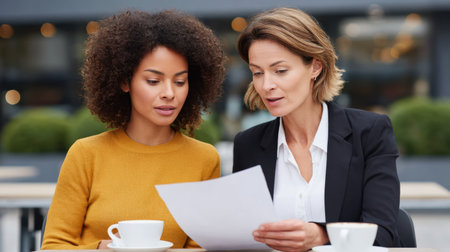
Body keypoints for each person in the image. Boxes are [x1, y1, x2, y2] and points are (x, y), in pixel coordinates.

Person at [41, 10, 226, 250]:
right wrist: (100, 249)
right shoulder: (85, 155)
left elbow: (199, 247)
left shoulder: (204, 159)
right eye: (153, 81)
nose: (170, 93)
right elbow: (54, 246)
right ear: (124, 81)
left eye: (180, 82)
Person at [232, 7, 400, 251]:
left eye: (280, 71)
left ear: (315, 67)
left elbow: (383, 234)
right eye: (257, 73)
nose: (266, 85)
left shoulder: (370, 132)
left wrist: (320, 234)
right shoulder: (248, 144)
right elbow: (244, 235)